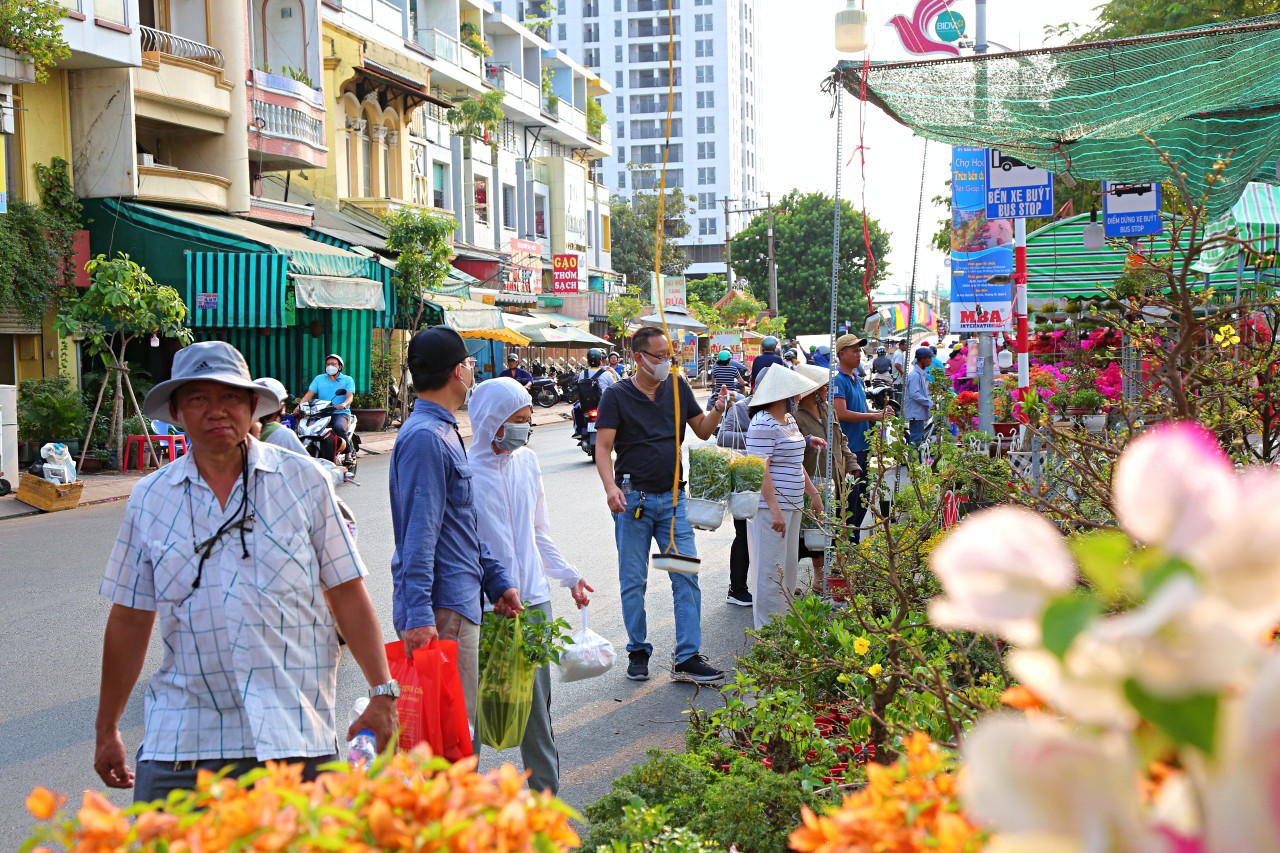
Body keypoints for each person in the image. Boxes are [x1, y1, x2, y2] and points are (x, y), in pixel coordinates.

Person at [94, 341, 398, 802]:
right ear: (176, 410)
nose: (216, 411)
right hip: (182, 743)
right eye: (198, 398)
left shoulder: (303, 482)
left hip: (294, 738)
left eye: (230, 397)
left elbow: (347, 592)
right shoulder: (151, 498)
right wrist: (107, 727)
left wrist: (382, 692)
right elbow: (131, 617)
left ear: (253, 405)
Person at [389, 326, 523, 743]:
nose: (471, 369)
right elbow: (419, 534)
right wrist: (418, 616)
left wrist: (495, 579)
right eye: (468, 362)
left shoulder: (443, 431)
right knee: (447, 740)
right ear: (455, 373)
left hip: (459, 599)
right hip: (442, 609)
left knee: (453, 734)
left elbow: (459, 523)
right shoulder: (428, 438)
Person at [468, 378, 593, 794]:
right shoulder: (465, 471)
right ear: (491, 421)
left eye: (528, 420)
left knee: (536, 713)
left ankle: (545, 807)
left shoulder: (528, 462)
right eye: (516, 421)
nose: (524, 429)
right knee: (476, 711)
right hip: (487, 610)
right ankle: (455, 810)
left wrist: (569, 576)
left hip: (535, 605)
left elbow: (539, 533)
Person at [595, 327, 729, 683]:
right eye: (659, 356)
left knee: (685, 575)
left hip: (673, 503)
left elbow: (702, 430)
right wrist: (610, 488)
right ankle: (638, 649)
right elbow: (603, 447)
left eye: (670, 356)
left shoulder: (676, 386)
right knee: (634, 580)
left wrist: (717, 408)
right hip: (634, 503)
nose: (666, 362)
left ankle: (687, 656)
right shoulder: (617, 395)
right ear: (638, 357)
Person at [744, 366, 825, 629]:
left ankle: (785, 628)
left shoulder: (788, 420)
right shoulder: (762, 423)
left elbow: (795, 462)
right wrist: (774, 508)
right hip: (771, 509)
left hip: (791, 504)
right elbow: (760, 468)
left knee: (788, 568)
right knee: (770, 571)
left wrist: (812, 493)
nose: (799, 394)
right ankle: (768, 633)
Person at [793, 364, 856, 591]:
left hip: (835, 481)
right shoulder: (796, 418)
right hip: (811, 482)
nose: (828, 388)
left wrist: (851, 463)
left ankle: (829, 577)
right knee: (810, 532)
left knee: (834, 527)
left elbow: (842, 439)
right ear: (811, 390)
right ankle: (814, 580)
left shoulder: (829, 410)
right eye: (823, 385)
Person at [831, 335, 891, 542]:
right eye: (854, 351)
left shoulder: (856, 378)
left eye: (859, 351)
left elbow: (862, 408)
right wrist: (872, 416)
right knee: (850, 498)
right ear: (842, 354)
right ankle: (844, 541)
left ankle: (853, 539)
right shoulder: (838, 380)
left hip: (863, 447)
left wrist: (879, 414)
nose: (859, 354)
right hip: (849, 449)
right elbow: (841, 413)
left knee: (863, 497)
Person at [717, 392, 753, 607]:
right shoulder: (739, 408)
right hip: (746, 480)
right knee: (744, 535)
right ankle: (737, 588)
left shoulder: (784, 407)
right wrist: (756, 435)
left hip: (773, 482)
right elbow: (722, 438)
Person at [297, 354, 355, 454]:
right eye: (328, 364)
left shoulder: (347, 380)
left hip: (341, 413)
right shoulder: (319, 379)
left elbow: (350, 397)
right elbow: (308, 395)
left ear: (340, 366)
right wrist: (299, 406)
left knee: (339, 427)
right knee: (307, 429)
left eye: (333, 364)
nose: (330, 366)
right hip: (321, 413)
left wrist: (344, 404)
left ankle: (348, 453)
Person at [250, 377, 308, 456]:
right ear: (280, 406)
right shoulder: (282, 433)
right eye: (283, 402)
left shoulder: (241, 431)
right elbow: (305, 464)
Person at [573, 347, 617, 437]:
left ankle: (578, 430)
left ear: (588, 361)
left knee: (575, 409)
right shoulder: (607, 373)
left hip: (586, 404)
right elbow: (616, 387)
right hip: (604, 404)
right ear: (601, 360)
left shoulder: (582, 374)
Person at [905, 346, 935, 449]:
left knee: (918, 439)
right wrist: (930, 403)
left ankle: (915, 461)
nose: (930, 361)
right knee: (916, 441)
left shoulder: (921, 373)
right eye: (928, 358)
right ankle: (913, 463)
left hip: (919, 412)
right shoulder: (914, 375)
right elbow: (914, 394)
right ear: (922, 359)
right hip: (916, 413)